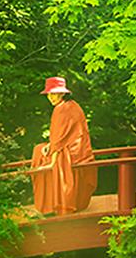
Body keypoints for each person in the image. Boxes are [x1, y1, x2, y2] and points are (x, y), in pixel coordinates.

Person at [30, 77, 98, 215]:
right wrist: (50, 145)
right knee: (40, 149)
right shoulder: (74, 105)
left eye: (54, 94)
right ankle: (53, 203)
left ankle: (50, 205)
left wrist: (53, 160)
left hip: (71, 152)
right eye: (49, 94)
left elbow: (59, 139)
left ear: (62, 93)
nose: (51, 98)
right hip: (81, 151)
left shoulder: (60, 109)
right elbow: (64, 135)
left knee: (40, 155)